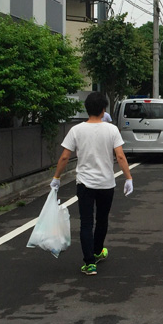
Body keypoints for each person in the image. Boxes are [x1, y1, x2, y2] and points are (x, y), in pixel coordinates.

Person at [51, 91, 134, 277]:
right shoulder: (112, 130)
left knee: (86, 222)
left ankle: (89, 263)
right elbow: (120, 156)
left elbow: (64, 157)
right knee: (102, 220)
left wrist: (56, 178)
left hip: (85, 184)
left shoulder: (76, 130)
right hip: (106, 183)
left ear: (87, 109)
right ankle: (97, 252)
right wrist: (128, 178)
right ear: (104, 109)